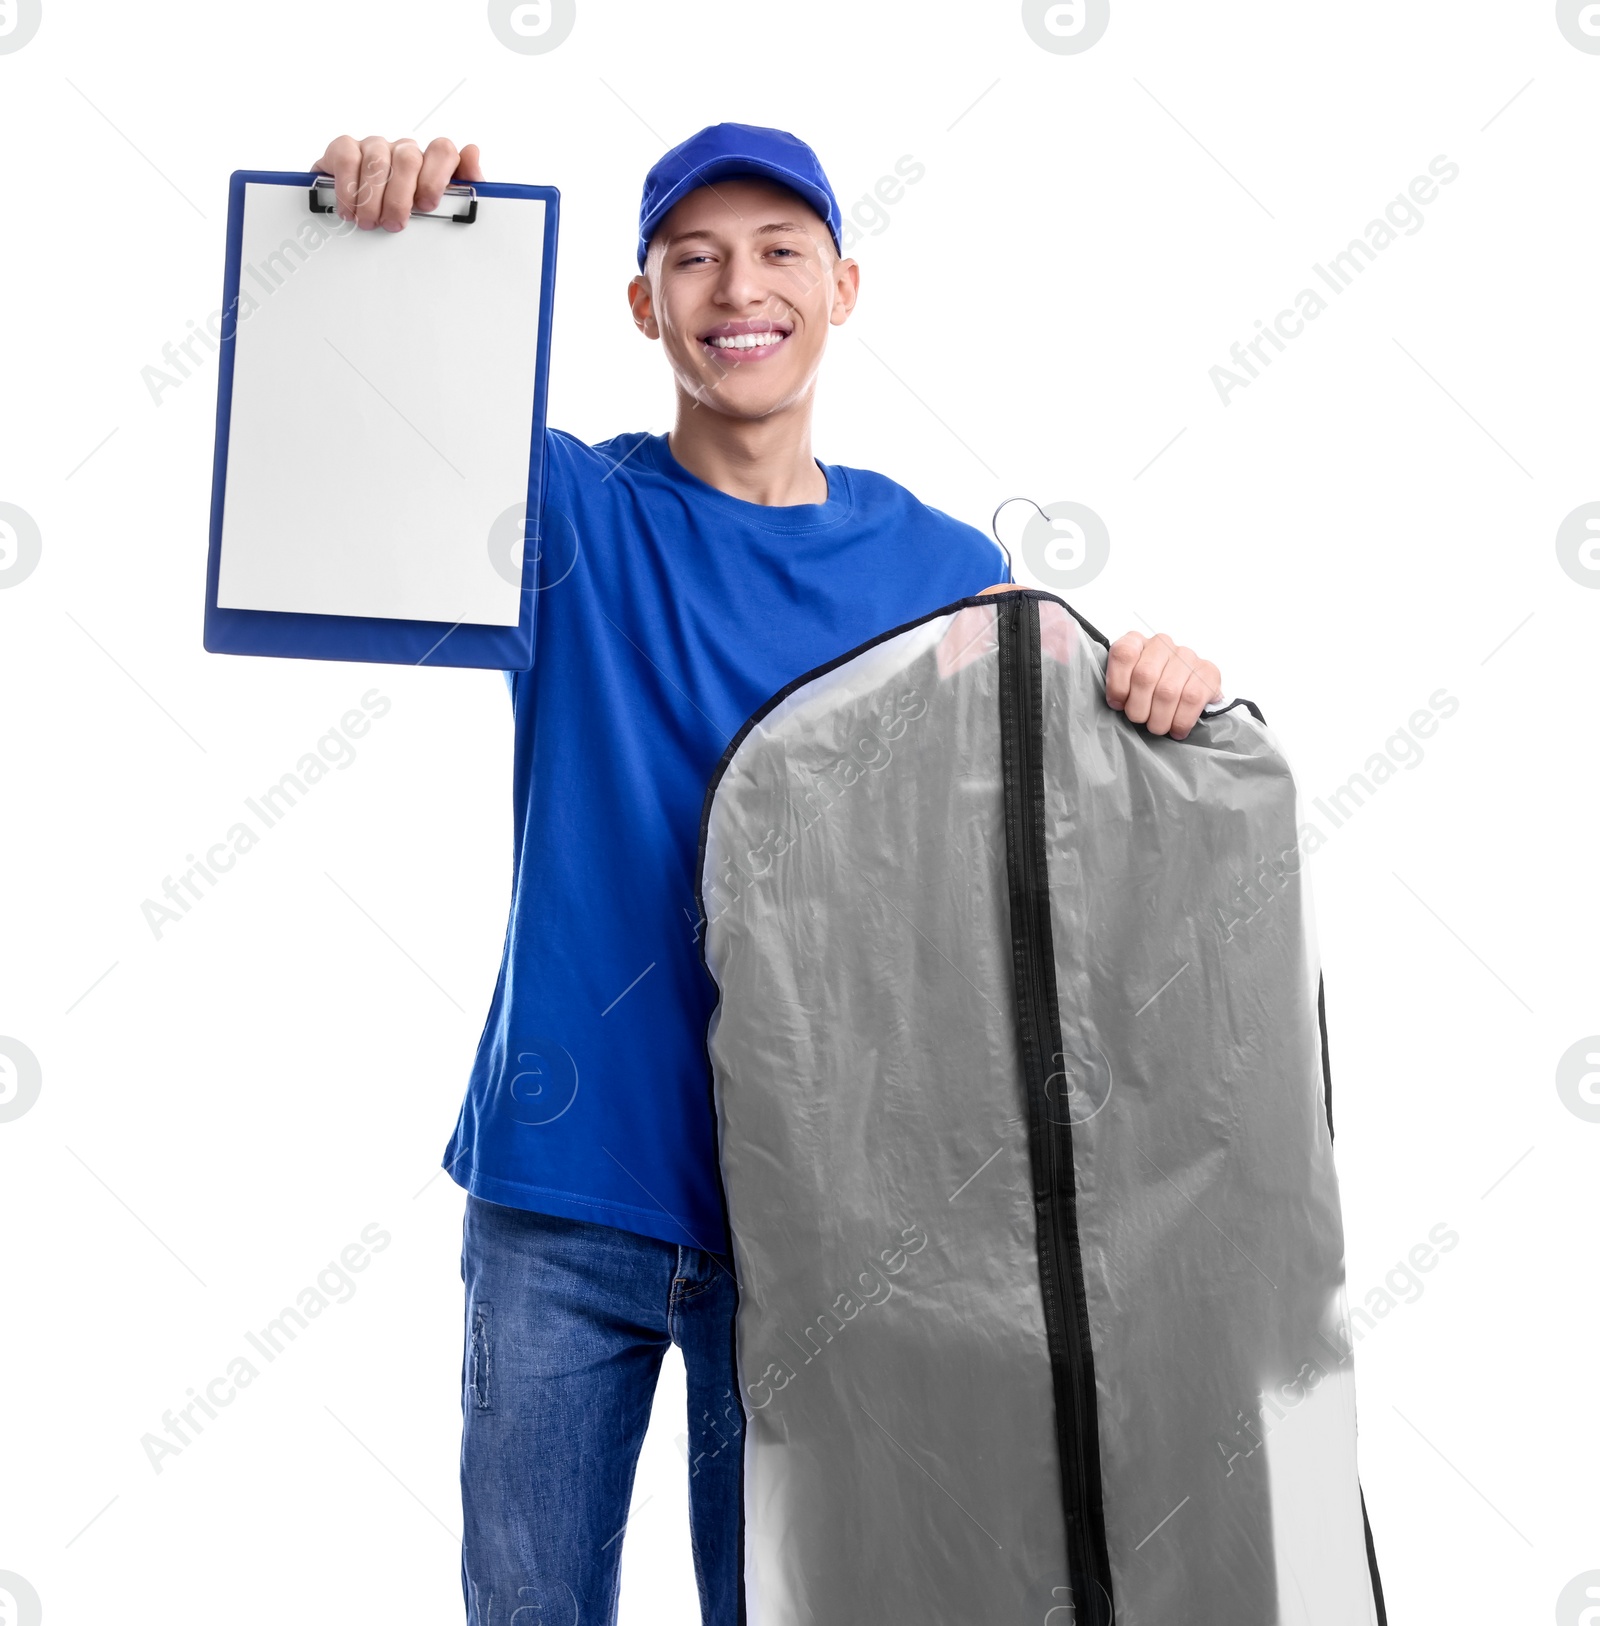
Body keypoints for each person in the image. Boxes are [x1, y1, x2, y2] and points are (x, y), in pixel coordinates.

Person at [307, 121, 1225, 1626]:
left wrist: (1160, 682)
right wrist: (369, 240)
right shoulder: (566, 519)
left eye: (781, 250)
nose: (742, 287)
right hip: (567, 1187)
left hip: (824, 1214)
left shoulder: (943, 571)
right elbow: (362, 422)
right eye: (696, 256)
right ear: (642, 303)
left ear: (844, 286)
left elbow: (1069, 825)